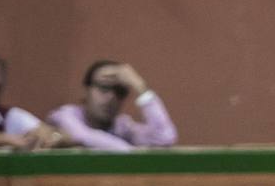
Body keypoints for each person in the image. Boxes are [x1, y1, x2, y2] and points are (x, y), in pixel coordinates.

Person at [45, 61, 180, 151]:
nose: (111, 97)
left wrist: (140, 86)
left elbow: (164, 137)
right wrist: (131, 153)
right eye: (103, 88)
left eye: (119, 92)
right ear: (86, 91)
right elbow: (81, 136)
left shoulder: (122, 127)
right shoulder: (64, 116)